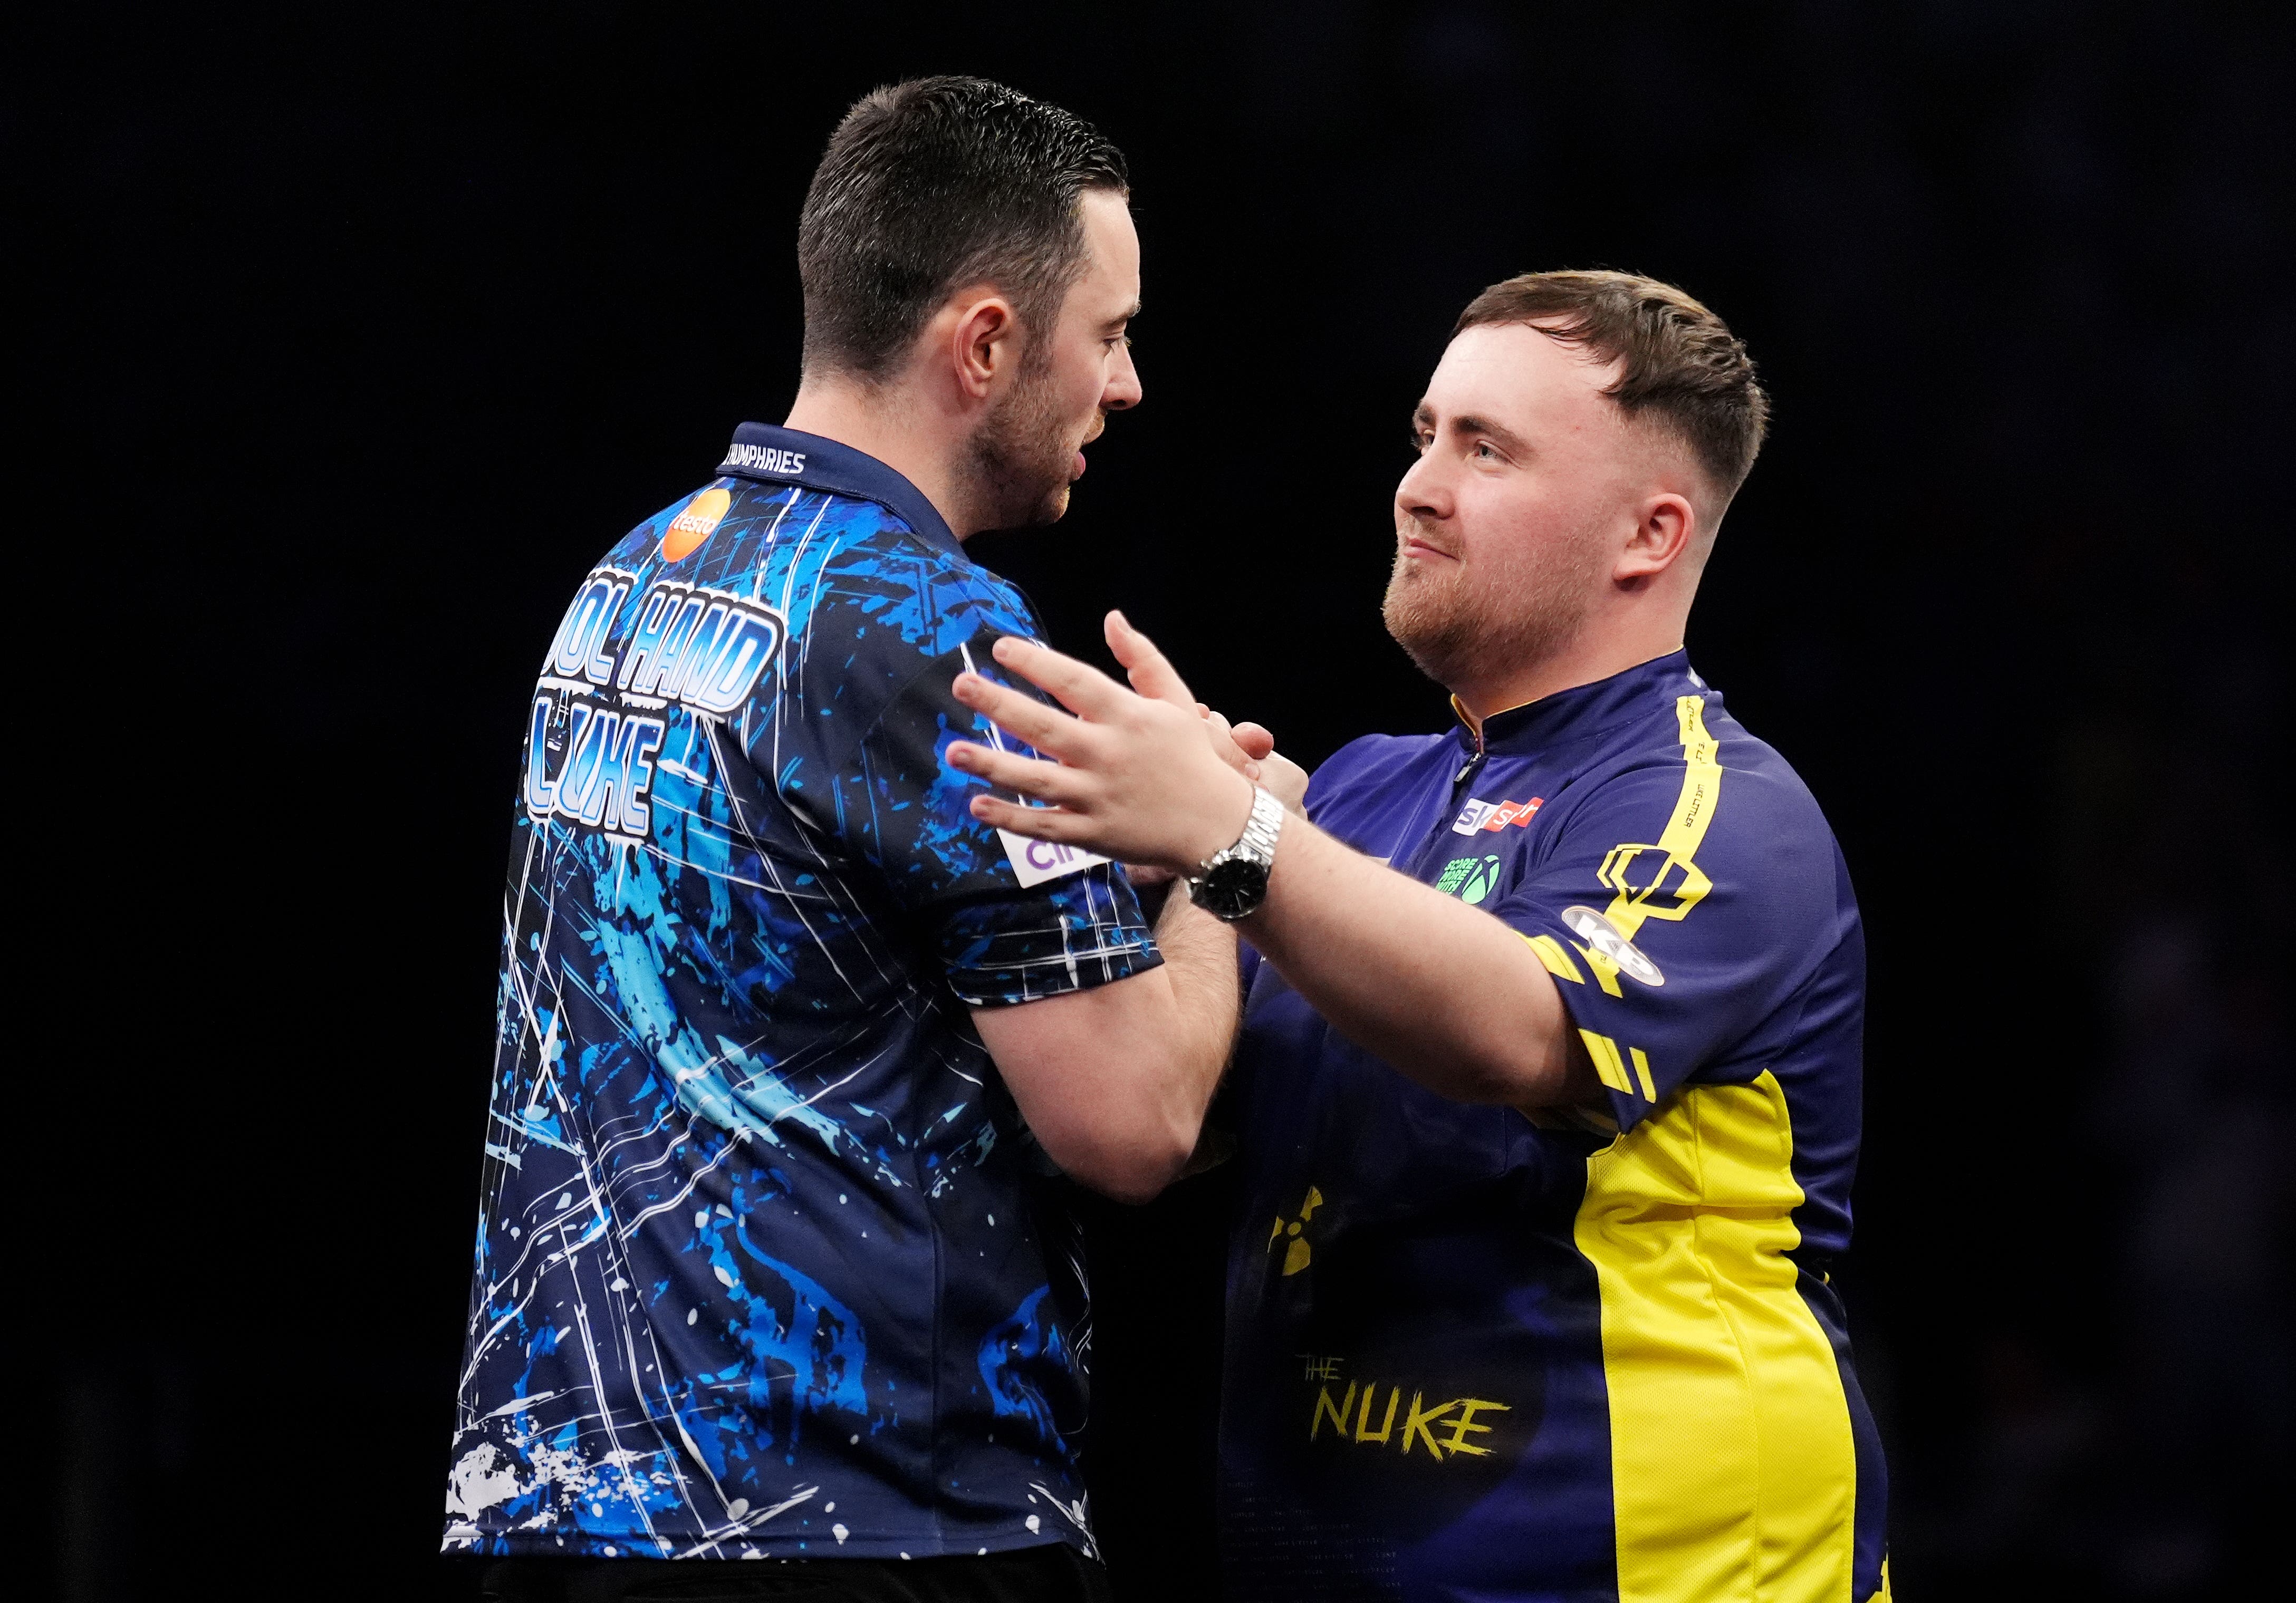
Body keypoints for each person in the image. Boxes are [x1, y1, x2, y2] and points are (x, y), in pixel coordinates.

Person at [945, 270, 1892, 1602]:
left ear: (1649, 534)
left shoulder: (1725, 806)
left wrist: (1232, 833)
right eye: (1425, 435)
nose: (1419, 485)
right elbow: (1177, 1114)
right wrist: (1188, 859)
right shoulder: (1360, 795)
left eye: (1487, 449)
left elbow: (1517, 1027)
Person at [444, 77, 1265, 1603]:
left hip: (554, 1512)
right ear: (987, 344)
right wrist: (1229, 846)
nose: (1131, 388)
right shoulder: (941, 636)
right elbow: (1134, 1122)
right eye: (1115, 334)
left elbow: (795, 969)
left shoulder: (638, 571)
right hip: (859, 1526)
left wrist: (1100, 875)